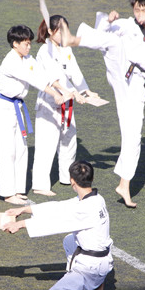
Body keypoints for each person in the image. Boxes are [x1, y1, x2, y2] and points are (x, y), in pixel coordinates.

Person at [61, 0, 145, 208]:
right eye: (137, 10)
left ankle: (124, 185)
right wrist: (108, 21)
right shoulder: (126, 24)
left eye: (144, 9)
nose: (140, 14)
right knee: (114, 42)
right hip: (122, 71)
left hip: (139, 85)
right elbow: (100, 34)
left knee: (133, 135)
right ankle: (72, 40)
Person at [3, 160, 113, 290]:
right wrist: (23, 209)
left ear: (72, 181)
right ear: (92, 178)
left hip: (92, 267)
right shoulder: (97, 199)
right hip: (101, 258)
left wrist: (20, 224)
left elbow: (55, 224)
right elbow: (59, 207)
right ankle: (87, 282)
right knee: (69, 240)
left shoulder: (84, 209)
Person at [0, 25, 75, 205]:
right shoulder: (10, 61)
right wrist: (55, 95)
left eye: (29, 43)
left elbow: (43, 74)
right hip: (0, 108)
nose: (29, 47)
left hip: (15, 107)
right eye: (26, 44)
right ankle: (7, 193)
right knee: (7, 151)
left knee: (21, 149)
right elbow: (33, 79)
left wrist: (65, 90)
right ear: (15, 44)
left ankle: (18, 190)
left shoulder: (27, 58)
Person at [31, 15, 93, 197]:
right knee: (46, 144)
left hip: (67, 101)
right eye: (61, 30)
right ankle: (40, 185)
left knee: (69, 139)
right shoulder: (44, 51)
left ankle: (67, 177)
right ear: (51, 31)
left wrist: (86, 91)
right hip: (50, 103)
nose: (65, 34)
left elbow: (75, 72)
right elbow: (53, 79)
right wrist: (72, 92)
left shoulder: (66, 49)